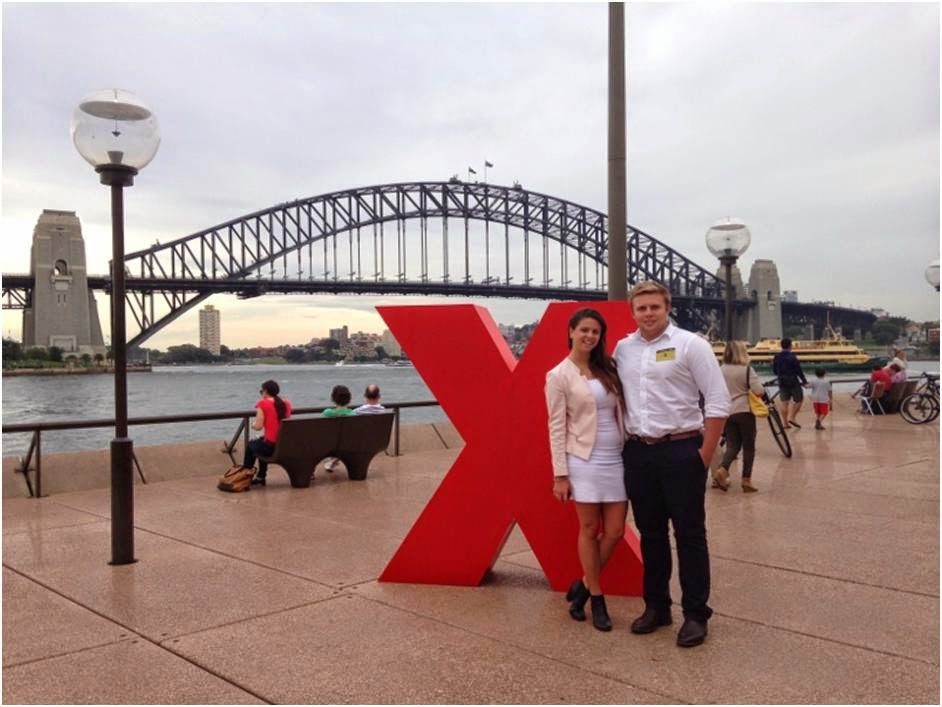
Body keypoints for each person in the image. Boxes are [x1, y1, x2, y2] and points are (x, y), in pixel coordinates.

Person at [614, 281, 730, 648]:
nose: (648, 313)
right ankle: (657, 606)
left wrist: (703, 456)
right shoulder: (623, 349)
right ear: (633, 312)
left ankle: (695, 613)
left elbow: (718, 401)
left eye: (655, 307)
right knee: (650, 534)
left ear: (667, 308)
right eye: (641, 308)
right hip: (639, 451)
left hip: (681, 449)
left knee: (689, 535)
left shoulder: (691, 345)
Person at [546, 308, 627, 632]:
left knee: (616, 531)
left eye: (595, 331)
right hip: (583, 459)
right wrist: (560, 475)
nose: (589, 336)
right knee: (590, 529)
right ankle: (596, 597)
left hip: (615, 457)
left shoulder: (607, 368)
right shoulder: (558, 375)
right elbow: (556, 426)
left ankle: (580, 587)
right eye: (584, 330)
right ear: (571, 331)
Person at [713, 340, 765, 493]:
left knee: (732, 445)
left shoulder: (720, 370)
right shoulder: (746, 369)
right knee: (749, 447)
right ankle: (746, 481)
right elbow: (759, 391)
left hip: (727, 412)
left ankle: (722, 470)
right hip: (744, 411)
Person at [244, 380, 292, 486]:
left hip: (271, 448)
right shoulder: (286, 403)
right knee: (260, 442)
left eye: (261, 391)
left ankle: (245, 476)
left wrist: (252, 424)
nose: (261, 394)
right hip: (285, 445)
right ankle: (260, 477)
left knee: (251, 445)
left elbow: (258, 426)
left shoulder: (263, 403)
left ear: (266, 391)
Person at [772, 338, 807, 429]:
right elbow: (798, 370)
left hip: (782, 382)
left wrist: (780, 375)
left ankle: (785, 423)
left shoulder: (777, 356)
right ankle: (792, 417)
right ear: (790, 346)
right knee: (799, 400)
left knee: (784, 403)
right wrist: (804, 381)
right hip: (793, 381)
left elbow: (775, 371)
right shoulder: (792, 356)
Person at [322, 385, 355, 472]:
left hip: (329, 444)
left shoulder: (327, 413)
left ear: (333, 399)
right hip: (349, 444)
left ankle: (332, 459)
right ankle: (335, 459)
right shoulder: (353, 414)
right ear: (349, 399)